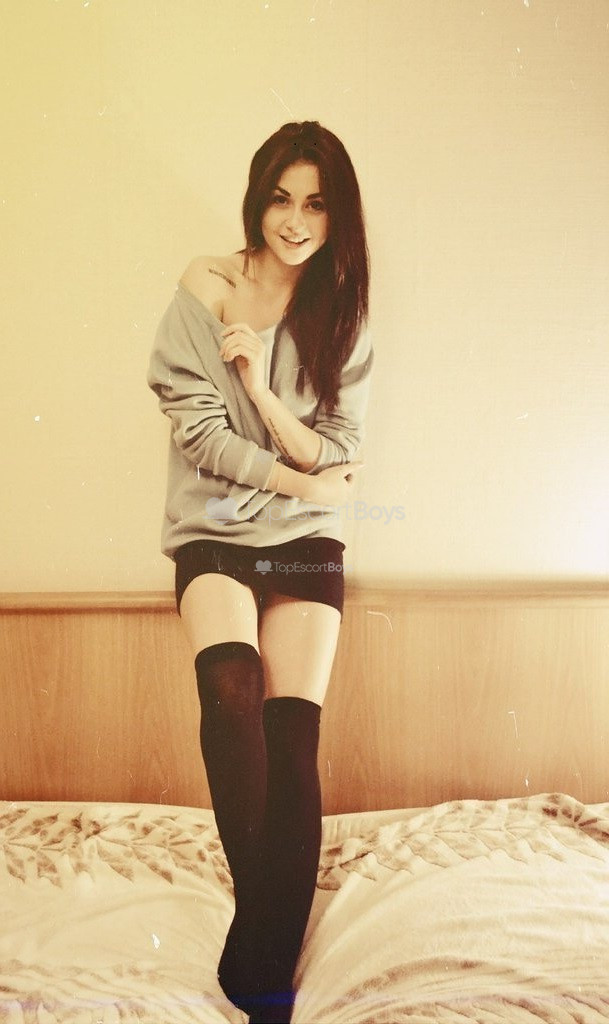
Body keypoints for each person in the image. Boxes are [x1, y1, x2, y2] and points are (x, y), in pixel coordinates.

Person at [148, 120, 373, 1023]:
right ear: (257, 198)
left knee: (292, 734)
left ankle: (260, 957)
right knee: (231, 687)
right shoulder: (207, 286)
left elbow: (340, 446)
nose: (295, 219)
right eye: (281, 197)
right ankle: (272, 957)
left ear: (336, 215)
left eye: (316, 203)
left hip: (303, 540)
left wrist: (263, 392)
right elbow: (199, 434)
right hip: (211, 528)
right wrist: (302, 480)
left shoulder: (343, 312)